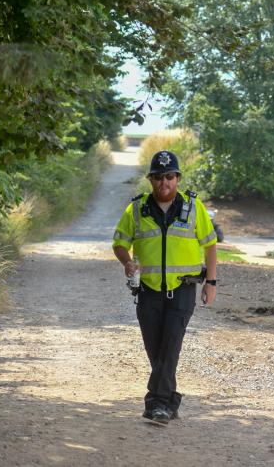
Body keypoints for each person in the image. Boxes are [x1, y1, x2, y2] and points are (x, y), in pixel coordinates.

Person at [111, 150, 219, 425]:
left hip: (183, 290)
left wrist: (212, 283)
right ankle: (170, 400)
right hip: (147, 291)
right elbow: (119, 243)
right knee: (156, 350)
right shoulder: (136, 209)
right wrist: (126, 262)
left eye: (170, 177)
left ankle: (157, 404)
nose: (164, 183)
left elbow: (210, 245)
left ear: (178, 178)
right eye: (158, 178)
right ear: (151, 180)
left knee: (170, 346)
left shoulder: (194, 208)